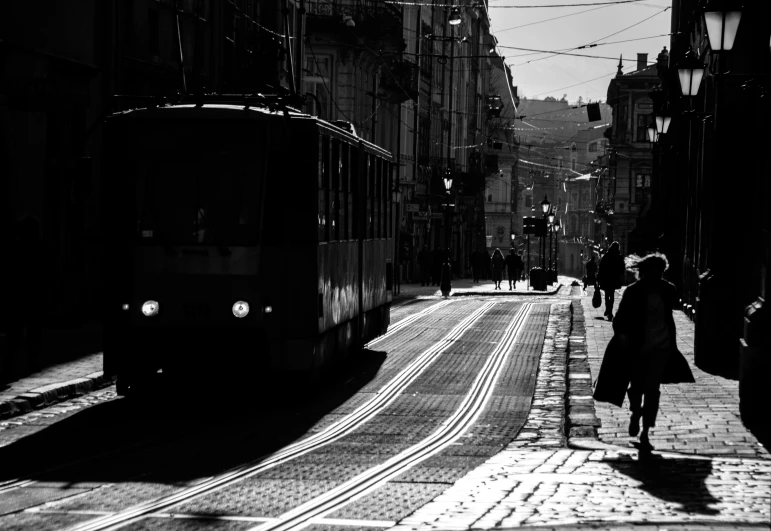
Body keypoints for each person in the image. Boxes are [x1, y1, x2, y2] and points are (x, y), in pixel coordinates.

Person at [612, 252, 695, 450]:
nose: (656, 276)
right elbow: (620, 317)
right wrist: (621, 334)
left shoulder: (668, 290)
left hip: (661, 346)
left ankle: (646, 432)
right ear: (644, 272)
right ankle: (635, 412)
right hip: (638, 347)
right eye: (652, 272)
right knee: (636, 388)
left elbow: (670, 315)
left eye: (659, 272)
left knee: (652, 390)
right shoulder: (633, 291)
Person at [597, 241, 625, 319]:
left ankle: (609, 310)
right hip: (612, 278)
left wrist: (599, 276)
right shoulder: (617, 256)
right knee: (610, 295)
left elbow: (601, 267)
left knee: (609, 295)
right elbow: (622, 268)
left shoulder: (607, 255)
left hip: (608, 278)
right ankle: (609, 310)